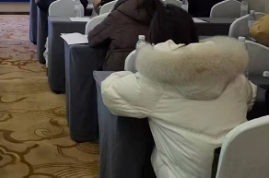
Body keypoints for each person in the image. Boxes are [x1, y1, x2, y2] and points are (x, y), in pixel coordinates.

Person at [101, 33, 256, 178]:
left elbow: (110, 93)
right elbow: (250, 98)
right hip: (242, 168)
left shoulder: (155, 82)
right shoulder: (237, 78)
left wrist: (124, 75)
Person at [89, 0, 162, 70]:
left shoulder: (117, 15)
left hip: (118, 69)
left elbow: (94, 38)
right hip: (153, 68)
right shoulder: (161, 15)